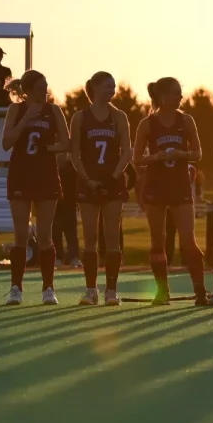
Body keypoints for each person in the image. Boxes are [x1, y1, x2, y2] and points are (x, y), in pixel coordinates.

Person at [133, 77, 209, 305]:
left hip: (180, 186)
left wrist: (180, 155)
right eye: (176, 93)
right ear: (164, 97)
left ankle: (201, 292)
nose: (181, 97)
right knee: (158, 240)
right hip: (155, 186)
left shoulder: (186, 121)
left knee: (188, 240)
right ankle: (162, 291)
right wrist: (156, 157)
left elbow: (197, 154)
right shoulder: (147, 124)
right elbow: (137, 159)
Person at [2, 70, 69, 305]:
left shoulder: (54, 110)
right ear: (29, 90)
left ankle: (48, 288)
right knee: (20, 234)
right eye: (41, 86)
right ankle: (15, 288)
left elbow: (66, 143)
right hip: (21, 175)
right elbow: (7, 142)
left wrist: (47, 148)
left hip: (46, 176)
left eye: (46, 85)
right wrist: (26, 119)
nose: (45, 89)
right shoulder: (16, 110)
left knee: (44, 235)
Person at [69, 71, 132, 306]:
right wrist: (87, 179)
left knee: (112, 236)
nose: (112, 90)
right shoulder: (80, 117)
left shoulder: (119, 117)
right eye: (107, 86)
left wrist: (113, 176)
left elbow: (127, 151)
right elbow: (74, 154)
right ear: (94, 88)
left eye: (114, 86)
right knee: (90, 237)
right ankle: (90, 290)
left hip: (112, 182)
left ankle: (111, 290)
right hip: (88, 183)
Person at [54, 153, 80, 267]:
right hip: (55, 205)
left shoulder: (73, 168)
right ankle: (58, 257)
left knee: (71, 233)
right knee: (55, 232)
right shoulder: (52, 167)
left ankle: (74, 257)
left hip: (69, 204)